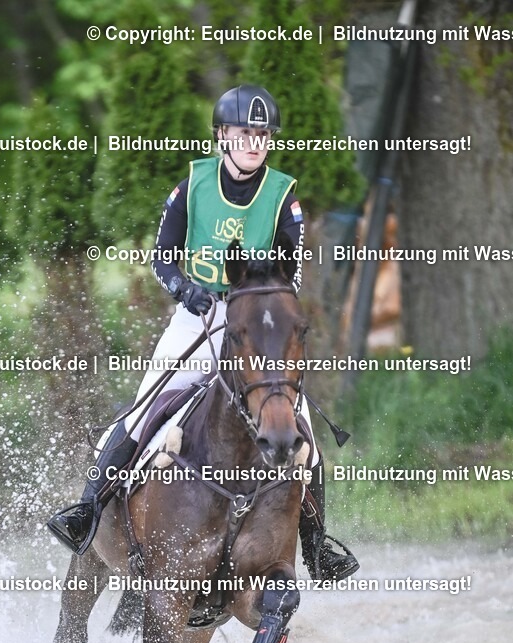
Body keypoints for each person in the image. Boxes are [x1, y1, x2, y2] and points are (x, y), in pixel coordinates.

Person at [48, 84, 359, 582]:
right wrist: (184, 289)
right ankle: (87, 511)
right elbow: (163, 256)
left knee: (302, 430)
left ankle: (317, 544)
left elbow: (292, 275)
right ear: (222, 136)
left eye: (263, 134)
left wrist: (257, 299)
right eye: (244, 133)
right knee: (142, 411)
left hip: (255, 324)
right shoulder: (192, 186)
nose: (254, 142)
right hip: (198, 317)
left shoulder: (284, 196)